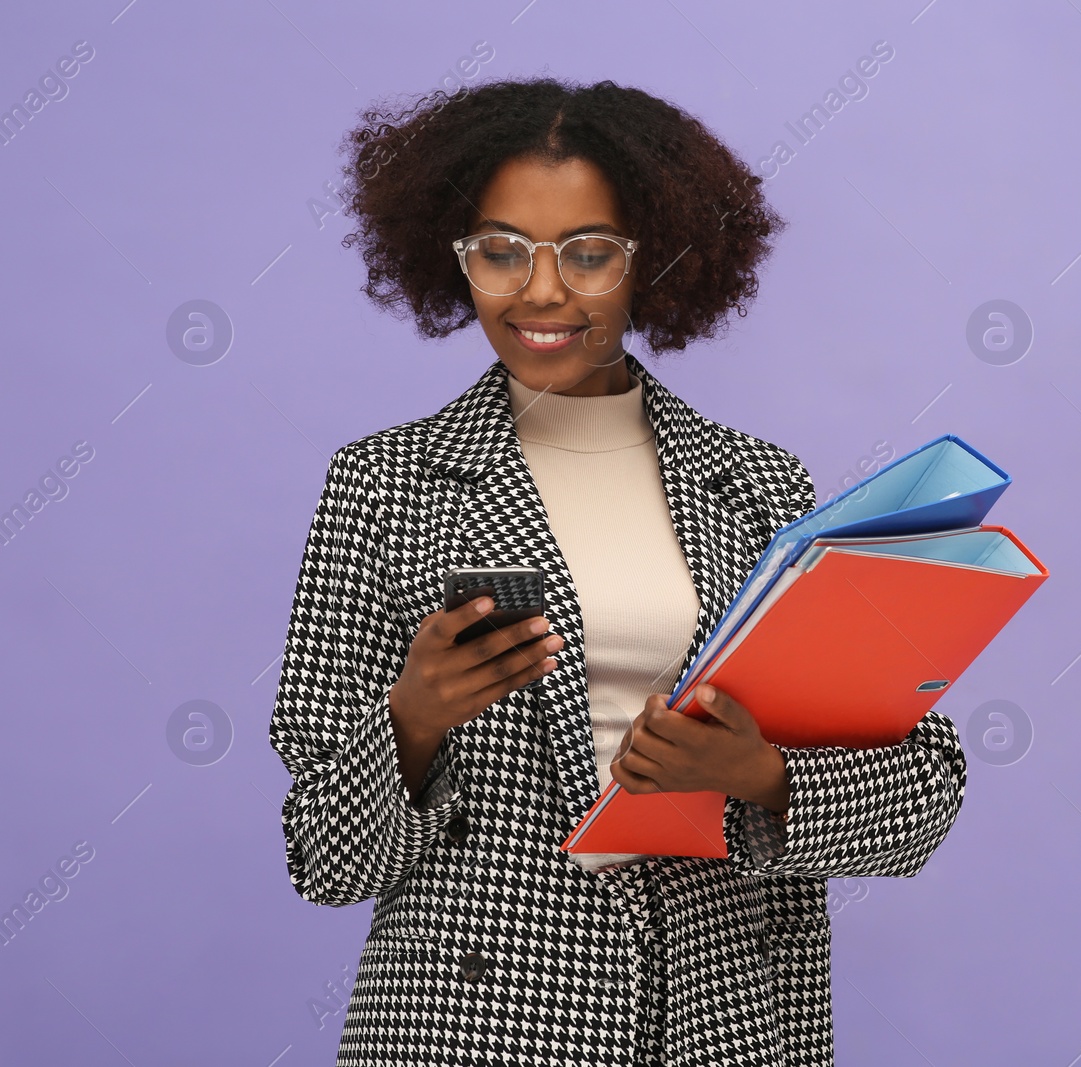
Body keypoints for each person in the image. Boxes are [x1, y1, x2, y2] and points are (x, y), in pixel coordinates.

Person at [267, 75, 967, 1067]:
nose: (540, 290)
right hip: (473, 1030)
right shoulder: (385, 486)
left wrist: (757, 775)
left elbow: (919, 800)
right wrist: (412, 719)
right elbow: (326, 859)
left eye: (587, 252)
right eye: (500, 250)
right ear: (453, 257)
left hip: (719, 1022)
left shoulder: (759, 482)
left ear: (657, 260)